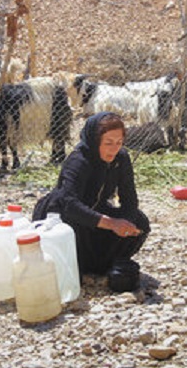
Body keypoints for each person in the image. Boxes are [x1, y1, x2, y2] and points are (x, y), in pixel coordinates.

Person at [32, 112, 150, 290]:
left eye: (119, 143)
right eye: (108, 143)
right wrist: (111, 223)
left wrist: (126, 223)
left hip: (96, 211)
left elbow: (130, 199)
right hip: (63, 215)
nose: (114, 149)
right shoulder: (79, 161)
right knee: (71, 230)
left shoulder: (121, 158)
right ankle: (81, 265)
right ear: (95, 140)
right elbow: (69, 204)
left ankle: (104, 264)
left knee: (140, 222)